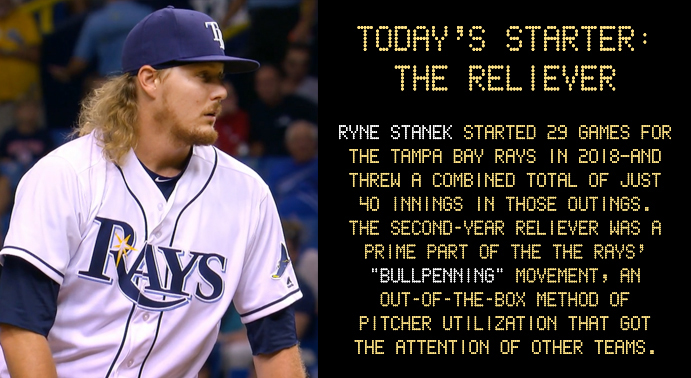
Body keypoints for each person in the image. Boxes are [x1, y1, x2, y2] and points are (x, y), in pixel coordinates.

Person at [0, 6, 306, 378]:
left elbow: (275, 344)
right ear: (150, 80)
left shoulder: (248, 194)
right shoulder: (65, 175)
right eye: (203, 76)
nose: (221, 91)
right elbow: (20, 328)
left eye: (221, 78)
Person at [48, 0, 153, 83]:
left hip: (109, 85)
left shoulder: (96, 20)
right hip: (143, 81)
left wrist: (66, 73)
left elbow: (80, 62)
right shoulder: (148, 14)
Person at [0, 0, 41, 134]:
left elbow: (36, 54)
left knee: (38, 147)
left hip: (28, 100)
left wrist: (8, 52)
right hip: (2, 103)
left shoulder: (23, 18)